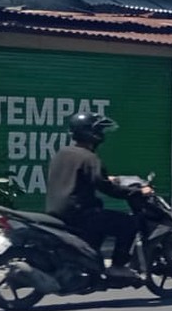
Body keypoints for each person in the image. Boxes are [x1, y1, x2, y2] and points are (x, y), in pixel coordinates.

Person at [45, 112, 151, 282]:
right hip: (80, 213)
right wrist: (137, 192)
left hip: (58, 211)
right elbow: (106, 188)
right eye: (99, 130)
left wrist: (109, 178)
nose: (102, 134)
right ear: (91, 133)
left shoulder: (62, 153)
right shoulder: (89, 158)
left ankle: (89, 263)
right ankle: (118, 266)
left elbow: (79, 176)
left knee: (101, 220)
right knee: (128, 224)